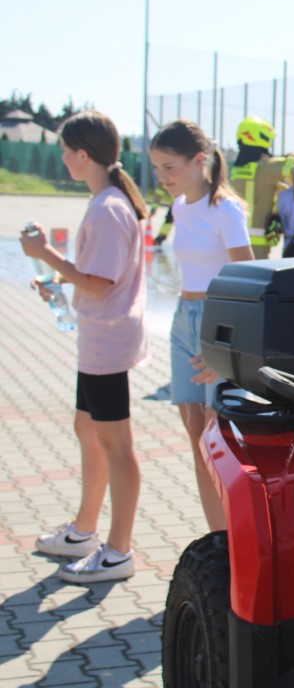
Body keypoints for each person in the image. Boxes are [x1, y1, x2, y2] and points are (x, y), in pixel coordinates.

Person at [22, 111, 147, 583]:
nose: (61, 158)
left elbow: (98, 283)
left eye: (64, 151)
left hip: (108, 342)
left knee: (116, 444)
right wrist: (58, 278)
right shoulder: (107, 202)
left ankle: (118, 551)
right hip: (99, 339)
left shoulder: (109, 207)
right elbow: (95, 275)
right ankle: (84, 530)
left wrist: (45, 254)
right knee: (88, 429)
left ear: (82, 154)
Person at [151, 119, 254, 530]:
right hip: (183, 318)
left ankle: (235, 536)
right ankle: (217, 537)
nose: (162, 176)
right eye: (156, 168)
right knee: (195, 435)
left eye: (169, 167)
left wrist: (224, 349)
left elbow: (248, 280)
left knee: (217, 438)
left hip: (218, 322)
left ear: (198, 161)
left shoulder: (225, 210)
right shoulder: (179, 207)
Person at [231, 116, 294, 259]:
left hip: (234, 241)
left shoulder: (234, 170)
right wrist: (292, 156)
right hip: (258, 246)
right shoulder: (267, 166)